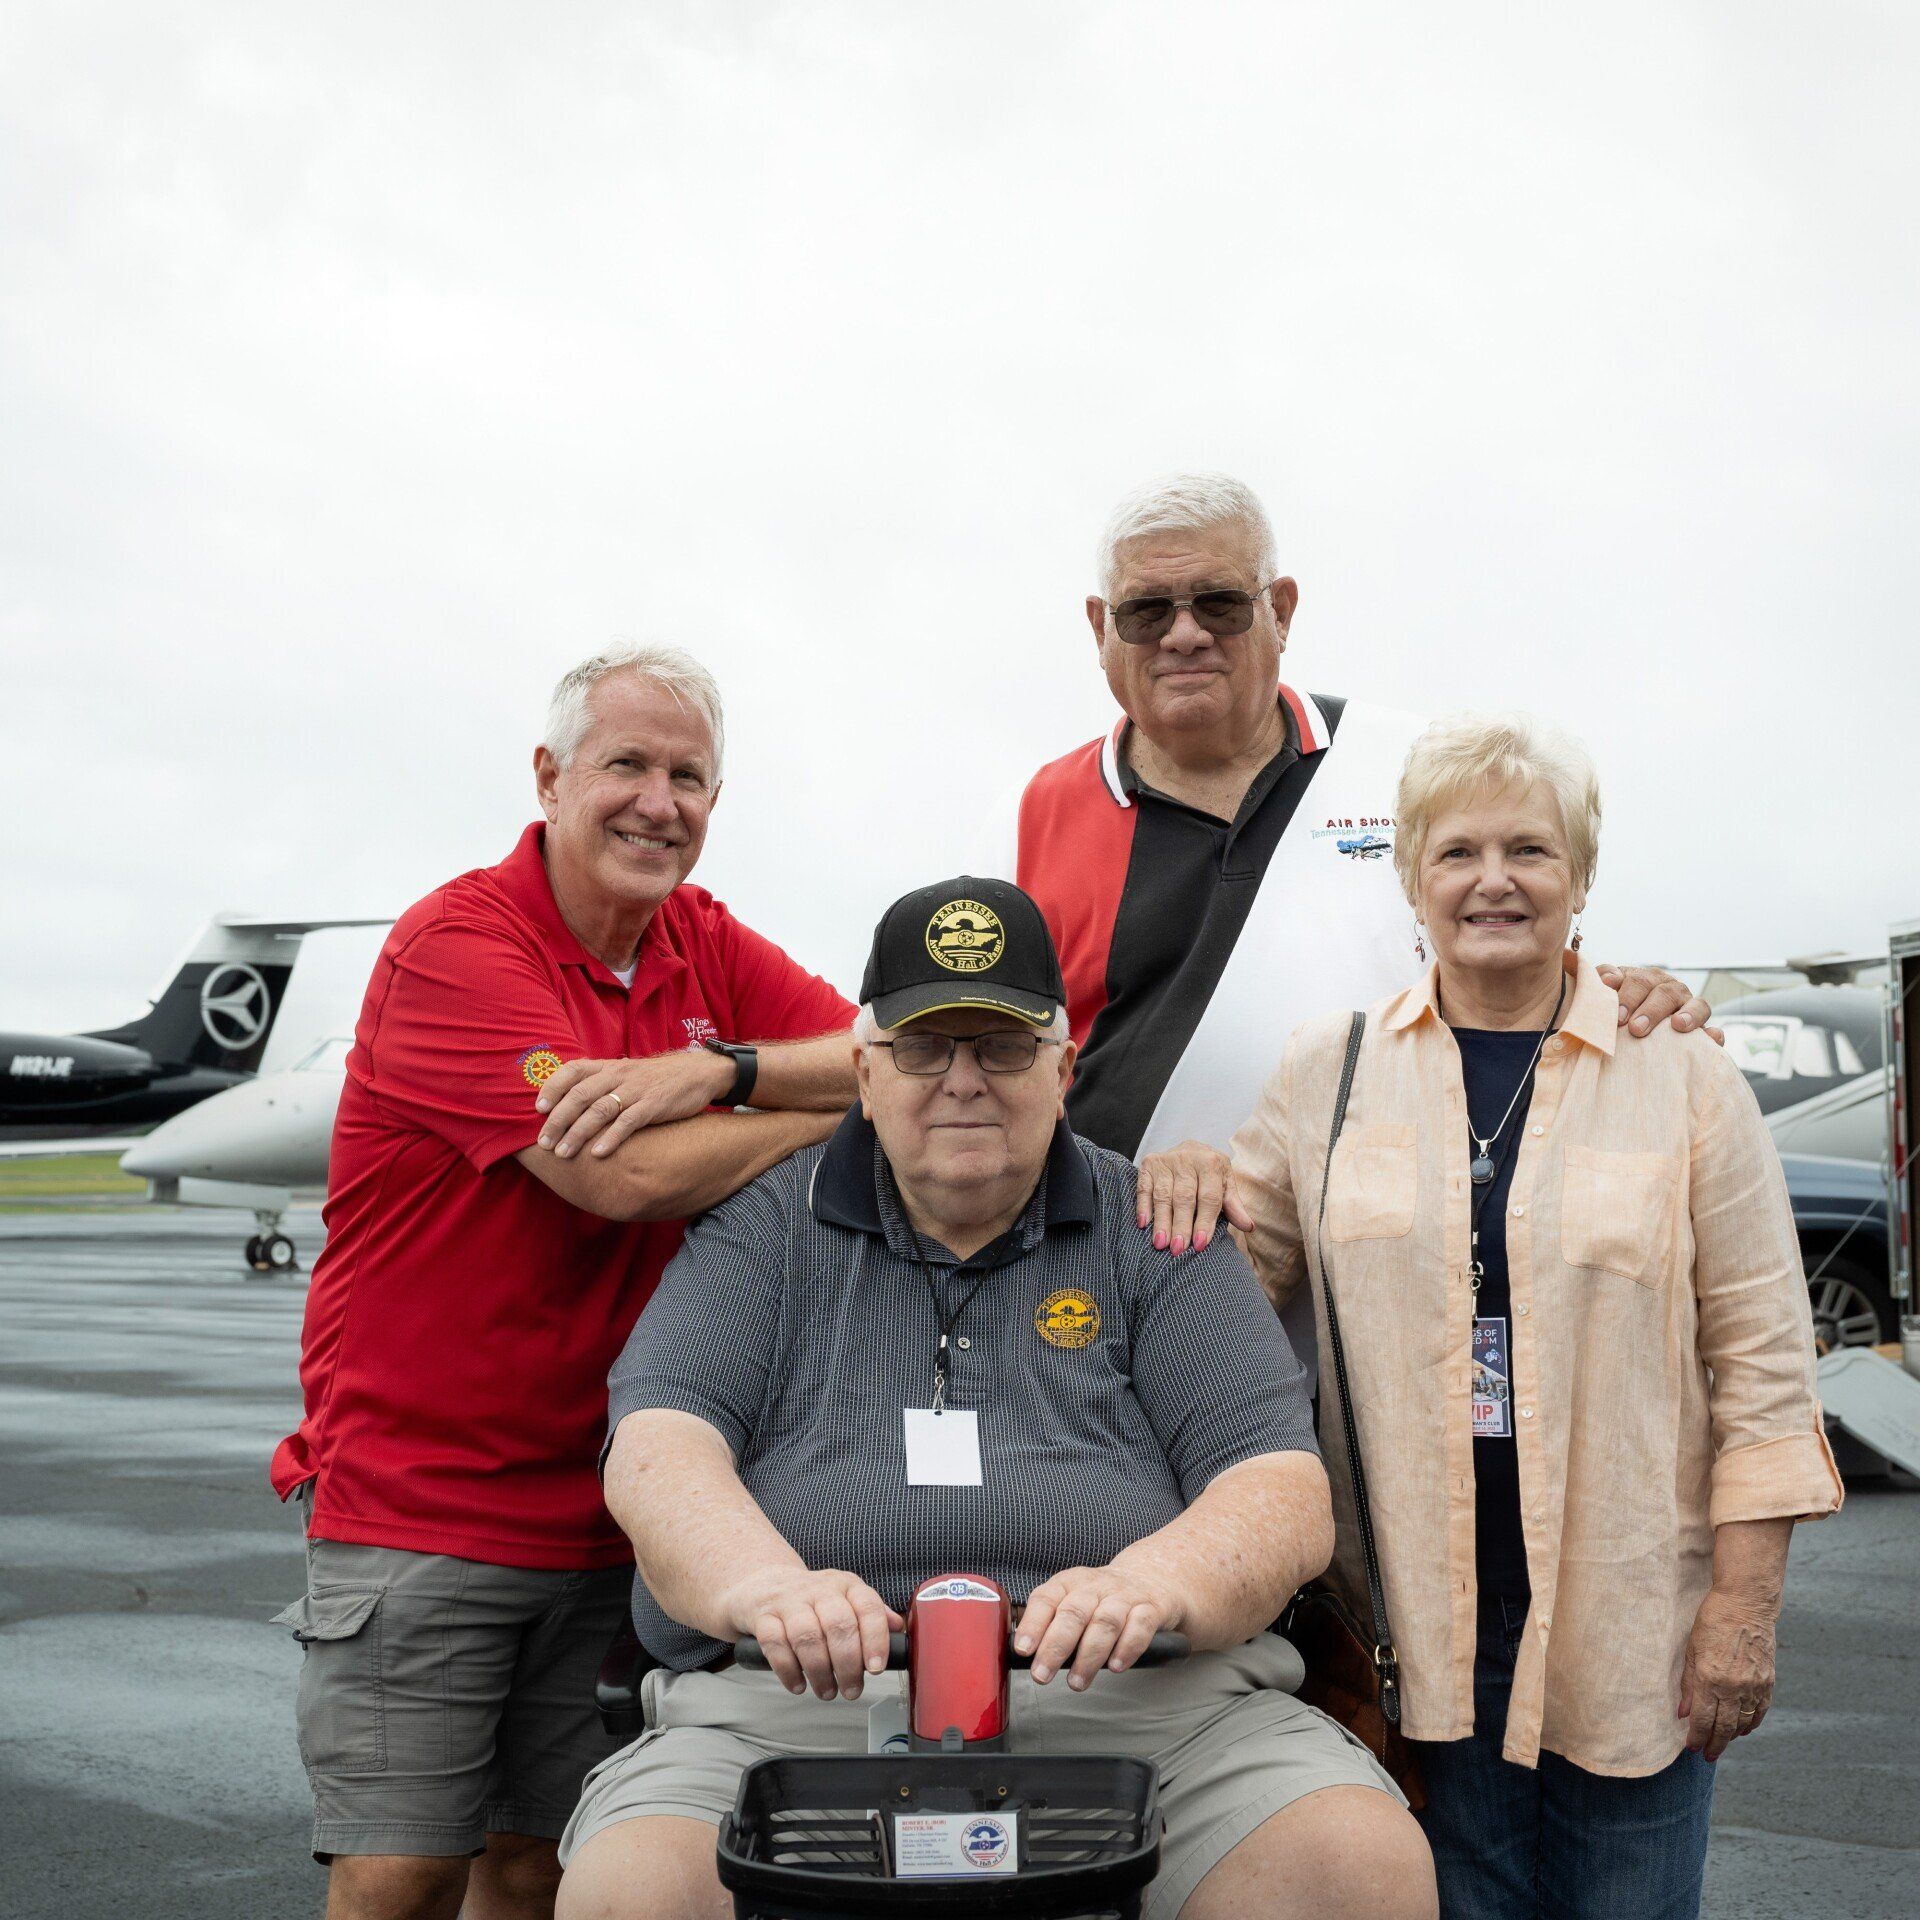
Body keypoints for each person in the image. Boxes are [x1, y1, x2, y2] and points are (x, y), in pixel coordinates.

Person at [554, 877, 1438, 1920]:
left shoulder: (1159, 1231)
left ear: (1064, 1071)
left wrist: (1155, 1581)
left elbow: (1279, 1486)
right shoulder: (759, 1232)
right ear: (863, 1074)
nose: (963, 1081)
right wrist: (763, 1587)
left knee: (1356, 1866)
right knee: (631, 1890)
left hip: (1145, 1705)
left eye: (1005, 1048)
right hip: (792, 1707)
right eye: (925, 1048)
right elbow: (659, 1449)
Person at [269, 644, 859, 1920]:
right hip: (424, 1498)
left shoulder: (700, 941)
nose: (659, 802)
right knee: (401, 1870)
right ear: (548, 777)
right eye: (626, 765)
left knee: (539, 1864)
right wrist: (816, 1107)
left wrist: (720, 1070)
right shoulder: (456, 945)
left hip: (616, 1505)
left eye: (689, 778)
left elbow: (887, 1043)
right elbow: (617, 1178)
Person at [1223, 712, 1842, 1920]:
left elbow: (1766, 1365)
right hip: (1411, 1628)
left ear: (1581, 877)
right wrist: (1179, 1182)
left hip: (1635, 1633)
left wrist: (1741, 1613)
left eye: (1530, 850)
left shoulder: (1686, 1075)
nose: (1492, 880)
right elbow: (1224, 1300)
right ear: (1412, 879)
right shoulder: (1326, 1071)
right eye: (1457, 852)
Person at [1015, 473, 1711, 1292]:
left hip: (1413, 1298)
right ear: (1100, 627)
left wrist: (1623, 994)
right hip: (1116, 1303)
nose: (1185, 634)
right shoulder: (1032, 814)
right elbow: (1002, 1067)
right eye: (1147, 612)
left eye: (1220, 604)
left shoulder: (1418, 765)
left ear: (1282, 609)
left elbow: (1531, 947)